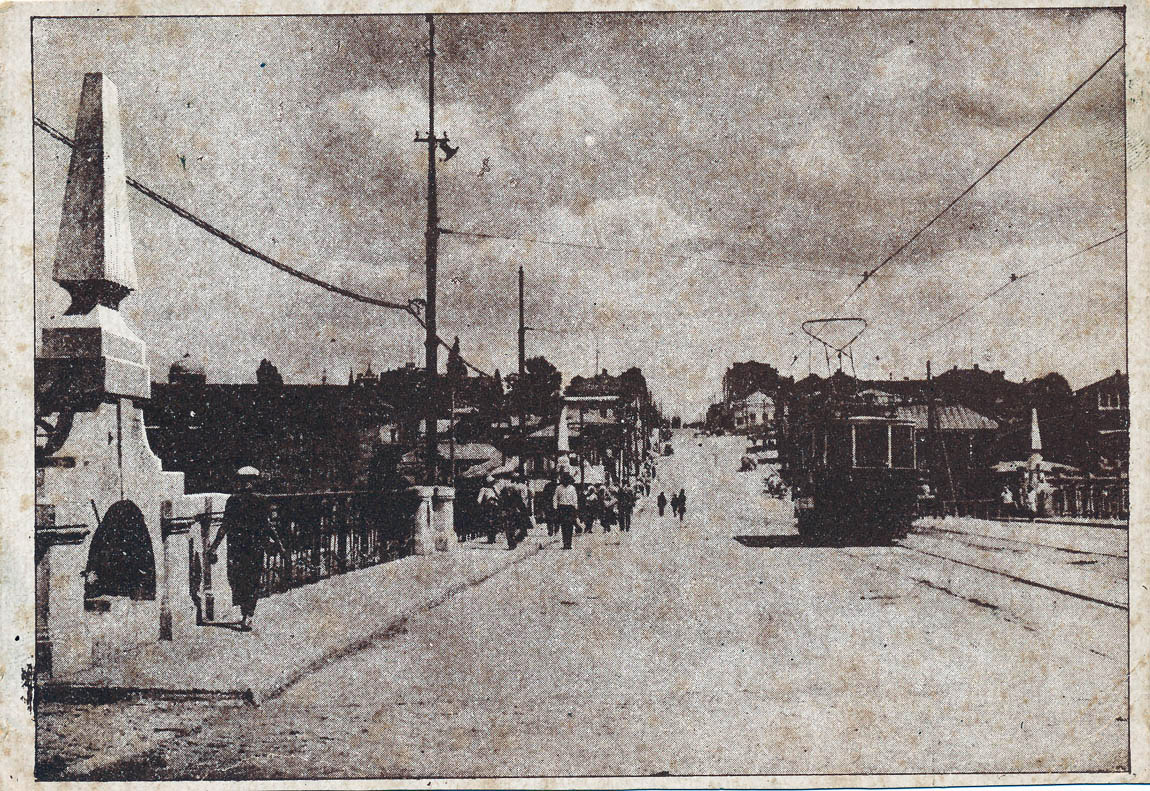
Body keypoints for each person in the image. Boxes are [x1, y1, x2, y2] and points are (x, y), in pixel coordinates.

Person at [207, 467, 281, 632]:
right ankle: (245, 611)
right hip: (237, 546)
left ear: (255, 482)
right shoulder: (233, 501)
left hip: (254, 545)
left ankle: (248, 615)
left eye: (250, 480)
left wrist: (279, 544)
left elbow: (268, 525)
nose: (246, 483)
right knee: (237, 579)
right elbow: (225, 524)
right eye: (243, 480)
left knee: (253, 579)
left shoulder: (262, 500)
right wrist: (214, 546)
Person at [553, 472, 579, 550]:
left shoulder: (572, 488)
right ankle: (565, 543)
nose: (565, 481)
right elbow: (555, 498)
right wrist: (555, 507)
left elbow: (575, 499)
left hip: (570, 508)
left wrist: (575, 508)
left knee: (570, 526)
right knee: (564, 526)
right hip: (562, 508)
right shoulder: (558, 488)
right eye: (564, 480)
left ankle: (569, 543)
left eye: (567, 480)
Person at [477, 475, 501, 543]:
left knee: (495, 522)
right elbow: (479, 499)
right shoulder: (483, 489)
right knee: (489, 522)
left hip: (496, 507)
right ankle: (490, 538)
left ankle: (493, 537)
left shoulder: (495, 488)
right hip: (488, 507)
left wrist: (495, 490)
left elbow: (500, 496)